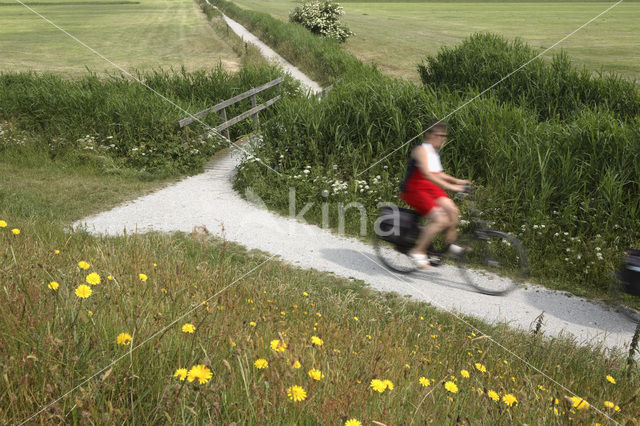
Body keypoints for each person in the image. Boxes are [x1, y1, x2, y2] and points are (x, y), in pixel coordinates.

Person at [400, 121, 469, 269]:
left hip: (430, 187)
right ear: (430, 134)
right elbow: (426, 173)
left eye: (445, 136)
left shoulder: (433, 151)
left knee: (453, 211)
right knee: (440, 219)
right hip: (415, 188)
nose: (443, 139)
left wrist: (458, 181)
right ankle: (418, 250)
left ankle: (449, 246)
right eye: (440, 135)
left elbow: (438, 174)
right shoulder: (420, 150)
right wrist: (450, 187)